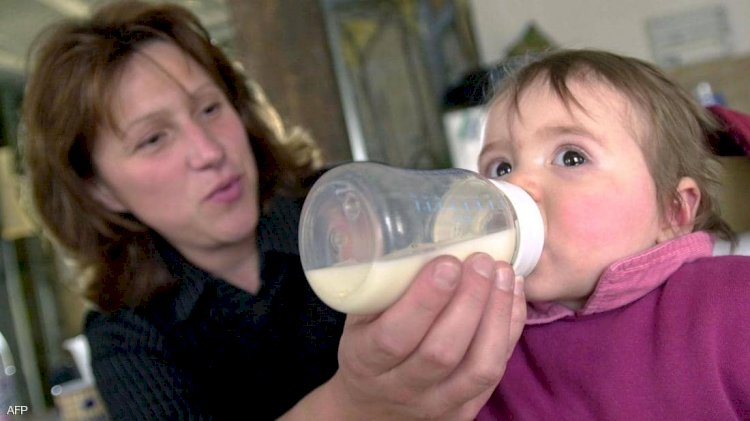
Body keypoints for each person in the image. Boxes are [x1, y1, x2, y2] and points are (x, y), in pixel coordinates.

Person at [21, 1, 525, 420]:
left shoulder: (349, 207)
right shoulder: (128, 337)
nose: (208, 151)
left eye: (209, 108)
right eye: (154, 139)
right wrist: (355, 403)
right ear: (100, 191)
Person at [474, 49, 750, 419]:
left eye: (572, 158)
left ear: (673, 211)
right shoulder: (484, 342)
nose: (515, 186)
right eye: (501, 168)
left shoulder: (733, 302)